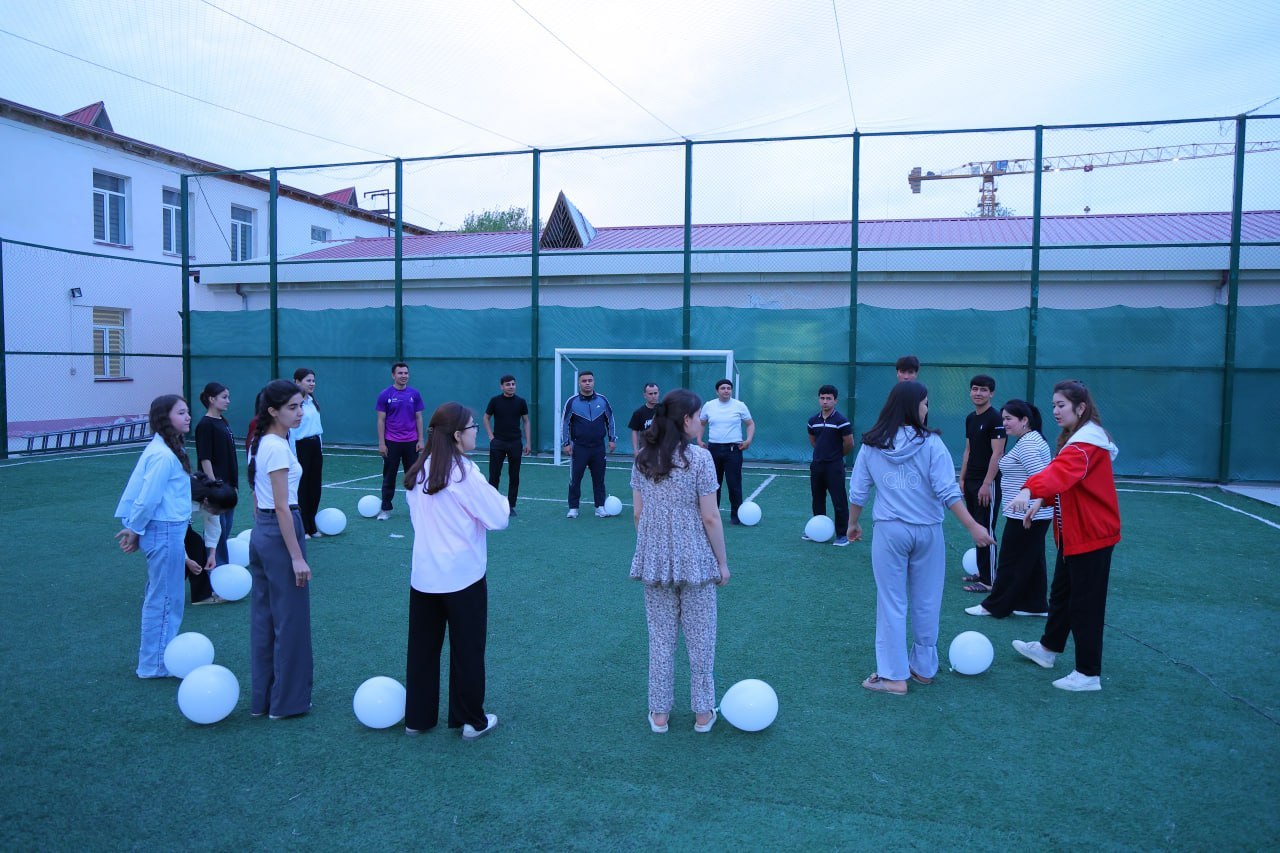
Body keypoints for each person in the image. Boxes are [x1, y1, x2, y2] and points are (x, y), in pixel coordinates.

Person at [846, 381, 995, 695]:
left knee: (892, 603)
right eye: (925, 403)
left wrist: (852, 524)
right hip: (928, 532)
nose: (927, 409)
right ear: (914, 407)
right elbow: (947, 491)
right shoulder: (931, 444)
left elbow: (859, 491)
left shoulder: (872, 444)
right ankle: (923, 669)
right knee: (927, 600)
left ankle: (893, 676)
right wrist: (972, 526)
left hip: (890, 532)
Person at [403, 403, 509, 739]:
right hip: (462, 578)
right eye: (472, 425)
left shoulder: (418, 470)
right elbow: (499, 517)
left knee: (422, 651)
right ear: (458, 435)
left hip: (424, 577)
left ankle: (417, 720)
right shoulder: (465, 473)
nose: (477, 429)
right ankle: (470, 721)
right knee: (467, 650)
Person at [1009, 380, 1121, 692]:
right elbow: (1065, 484)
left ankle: (1088, 673)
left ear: (1080, 408)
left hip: (1092, 536)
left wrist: (1029, 489)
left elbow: (1059, 474)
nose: (1055, 411)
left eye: (1061, 405)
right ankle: (1047, 649)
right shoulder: (1075, 440)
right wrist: (1038, 503)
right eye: (1054, 405)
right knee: (1061, 595)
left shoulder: (1085, 445)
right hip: (1074, 536)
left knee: (1086, 604)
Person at [631, 389, 730, 733]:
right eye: (698, 415)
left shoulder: (643, 457)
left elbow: (639, 513)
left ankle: (659, 714)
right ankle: (703, 713)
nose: (701, 421)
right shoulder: (700, 460)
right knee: (701, 637)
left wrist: (651, 549)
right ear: (685, 420)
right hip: (696, 560)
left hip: (655, 560)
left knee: (660, 639)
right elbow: (711, 517)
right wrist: (723, 563)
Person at [114, 394, 194, 678]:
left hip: (167, 529)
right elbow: (147, 498)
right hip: (164, 530)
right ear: (165, 418)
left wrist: (138, 529)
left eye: (187, 412)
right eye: (181, 413)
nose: (187, 417)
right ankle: (155, 663)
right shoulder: (162, 455)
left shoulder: (167, 449)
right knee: (165, 598)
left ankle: (158, 658)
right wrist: (135, 529)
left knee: (165, 595)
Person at [246, 379, 313, 719]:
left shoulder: (262, 443)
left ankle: (264, 701)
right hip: (280, 532)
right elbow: (283, 506)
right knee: (291, 622)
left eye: (301, 405)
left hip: (264, 532)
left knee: (265, 619)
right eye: (292, 407)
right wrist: (297, 556)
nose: (300, 412)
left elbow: (258, 499)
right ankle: (286, 703)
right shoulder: (274, 446)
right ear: (272, 411)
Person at [966, 400, 1053, 619]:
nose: (1004, 423)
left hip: (1026, 515)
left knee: (1009, 560)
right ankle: (1036, 605)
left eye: (1009, 419)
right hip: (1032, 514)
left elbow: (1041, 478)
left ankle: (994, 605)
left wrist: (1034, 503)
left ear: (1025, 420)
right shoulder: (1031, 439)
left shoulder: (1028, 445)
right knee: (1034, 560)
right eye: (1003, 418)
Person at [959, 374, 1006, 592]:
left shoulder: (995, 419)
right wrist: (962, 478)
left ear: (991, 393)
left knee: (986, 527)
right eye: (975, 389)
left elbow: (998, 454)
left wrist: (987, 483)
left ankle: (989, 581)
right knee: (977, 527)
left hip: (986, 483)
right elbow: (968, 450)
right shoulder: (970, 418)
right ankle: (982, 571)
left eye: (984, 390)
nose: (978, 393)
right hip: (970, 481)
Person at [560, 370, 617, 518]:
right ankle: (573, 508)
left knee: (599, 479)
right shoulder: (572, 402)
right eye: (584, 381)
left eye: (590, 380)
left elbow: (610, 420)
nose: (587, 383)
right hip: (579, 447)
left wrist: (612, 439)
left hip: (598, 447)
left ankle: (599, 507)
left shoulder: (603, 400)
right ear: (579, 383)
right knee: (575, 478)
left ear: (594, 382)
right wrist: (565, 443)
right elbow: (565, 423)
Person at [698, 379, 754, 525]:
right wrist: (699, 439)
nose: (726, 390)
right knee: (713, 484)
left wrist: (748, 440)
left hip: (733, 451)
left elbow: (750, 424)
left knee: (734, 483)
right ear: (717, 391)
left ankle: (736, 516)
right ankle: (712, 515)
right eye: (723, 388)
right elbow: (701, 423)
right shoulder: (709, 406)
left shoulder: (739, 406)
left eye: (729, 388)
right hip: (713, 450)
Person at [375, 362, 425, 520]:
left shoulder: (414, 394)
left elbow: (418, 417)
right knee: (389, 476)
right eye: (400, 373)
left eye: (406, 373)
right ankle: (385, 509)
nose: (404, 376)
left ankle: (417, 509)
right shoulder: (385, 394)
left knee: (414, 477)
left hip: (411, 443)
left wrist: (421, 439)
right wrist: (382, 443)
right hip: (391, 443)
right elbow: (381, 420)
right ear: (393, 375)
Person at [195, 382, 238, 565]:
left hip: (228, 486)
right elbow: (205, 458)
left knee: (226, 526)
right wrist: (213, 485)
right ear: (212, 399)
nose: (228, 401)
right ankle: (216, 569)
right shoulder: (205, 425)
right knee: (216, 529)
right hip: (217, 487)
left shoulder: (222, 422)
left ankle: (218, 565)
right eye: (224, 397)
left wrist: (233, 485)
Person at [806, 384, 854, 547]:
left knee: (839, 500)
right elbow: (813, 441)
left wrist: (836, 456)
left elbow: (849, 443)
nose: (825, 401)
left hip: (834, 466)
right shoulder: (813, 421)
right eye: (822, 398)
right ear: (819, 399)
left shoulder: (842, 421)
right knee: (817, 499)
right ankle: (817, 530)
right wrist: (822, 453)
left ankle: (842, 535)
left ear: (835, 401)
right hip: (817, 466)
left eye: (828, 398)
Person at [187, 472, 239, 606]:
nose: (217, 514)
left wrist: (212, 555)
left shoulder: (212, 496)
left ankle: (201, 596)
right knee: (187, 549)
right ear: (205, 502)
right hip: (161, 522)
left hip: (178, 524)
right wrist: (186, 560)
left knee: (195, 544)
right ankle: (165, 593)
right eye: (216, 512)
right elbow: (176, 537)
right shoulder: (185, 499)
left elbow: (213, 526)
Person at [483, 374, 531, 516]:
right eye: (508, 384)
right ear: (502, 386)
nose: (511, 387)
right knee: (494, 474)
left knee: (514, 475)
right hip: (498, 443)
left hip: (515, 443)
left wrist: (527, 442)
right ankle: (492, 505)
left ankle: (510, 506)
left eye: (513, 384)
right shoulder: (495, 401)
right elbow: (486, 418)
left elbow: (526, 421)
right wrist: (491, 437)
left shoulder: (521, 402)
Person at [290, 368, 325, 538]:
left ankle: (311, 525)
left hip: (315, 447)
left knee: (314, 487)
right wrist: (293, 455)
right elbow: (292, 431)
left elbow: (317, 429)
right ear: (297, 382)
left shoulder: (312, 401)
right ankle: (302, 527)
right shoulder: (293, 404)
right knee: (301, 489)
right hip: (300, 447)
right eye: (308, 380)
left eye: (313, 380)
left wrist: (320, 448)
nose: (312, 384)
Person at [628, 383, 660, 454]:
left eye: (655, 393)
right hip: (645, 450)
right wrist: (635, 450)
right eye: (650, 394)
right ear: (645, 395)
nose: (653, 396)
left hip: (662, 449)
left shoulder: (665, 410)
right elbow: (634, 431)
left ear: (659, 393)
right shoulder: (639, 412)